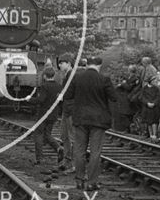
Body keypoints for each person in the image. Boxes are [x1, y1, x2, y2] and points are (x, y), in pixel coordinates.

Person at [67, 56, 117, 191]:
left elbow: (68, 95)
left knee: (79, 150)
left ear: (87, 64)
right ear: (99, 65)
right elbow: (114, 97)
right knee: (95, 152)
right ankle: (91, 182)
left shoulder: (77, 77)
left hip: (80, 118)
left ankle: (79, 180)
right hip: (98, 120)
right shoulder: (104, 79)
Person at [32, 67, 64, 165]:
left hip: (43, 114)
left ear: (45, 76)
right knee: (47, 134)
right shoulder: (59, 86)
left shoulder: (44, 86)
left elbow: (41, 100)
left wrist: (30, 99)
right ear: (54, 75)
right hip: (53, 114)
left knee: (38, 134)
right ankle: (58, 148)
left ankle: (39, 158)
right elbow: (60, 101)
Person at [57, 55, 75, 172]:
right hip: (66, 109)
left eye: (61, 63)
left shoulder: (72, 75)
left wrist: (62, 96)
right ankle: (67, 160)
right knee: (65, 136)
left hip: (70, 109)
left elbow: (72, 92)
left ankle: (72, 164)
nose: (59, 65)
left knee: (71, 136)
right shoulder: (67, 75)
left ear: (68, 63)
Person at [140, 75, 160, 140]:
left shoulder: (156, 88)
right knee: (148, 121)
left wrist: (154, 103)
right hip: (147, 107)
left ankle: (155, 134)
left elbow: (158, 97)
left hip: (154, 107)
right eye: (153, 80)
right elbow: (142, 97)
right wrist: (147, 103)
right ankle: (150, 134)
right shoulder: (144, 88)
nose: (155, 81)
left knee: (154, 121)